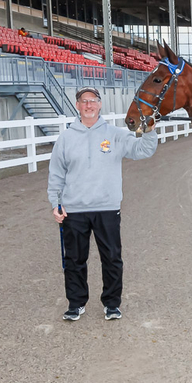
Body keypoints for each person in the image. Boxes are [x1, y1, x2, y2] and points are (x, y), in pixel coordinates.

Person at [47, 87, 157, 321]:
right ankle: (76, 303)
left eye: (93, 101)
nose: (88, 105)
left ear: (99, 104)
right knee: (74, 260)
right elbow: (56, 173)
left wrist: (149, 131)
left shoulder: (115, 134)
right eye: (84, 101)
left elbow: (143, 150)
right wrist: (55, 203)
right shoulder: (66, 138)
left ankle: (112, 303)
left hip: (107, 208)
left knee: (112, 258)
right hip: (74, 210)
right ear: (77, 105)